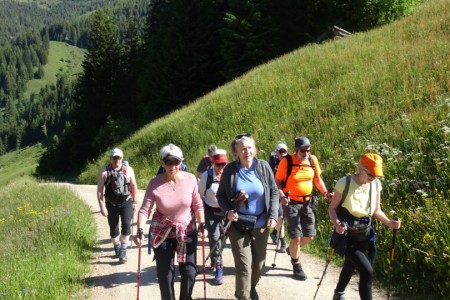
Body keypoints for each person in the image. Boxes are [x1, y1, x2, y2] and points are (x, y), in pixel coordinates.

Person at [134, 144, 205, 300]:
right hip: (163, 233)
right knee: (165, 275)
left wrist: (202, 224)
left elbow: (198, 204)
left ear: (181, 162)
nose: (172, 166)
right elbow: (144, 210)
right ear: (162, 163)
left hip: (187, 231)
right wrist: (139, 230)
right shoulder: (154, 184)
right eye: (168, 162)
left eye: (176, 162)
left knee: (190, 272)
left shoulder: (190, 179)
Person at [329, 153, 401, 300]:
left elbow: (376, 211)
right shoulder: (345, 182)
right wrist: (336, 224)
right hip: (346, 235)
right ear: (360, 167)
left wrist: (390, 223)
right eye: (370, 174)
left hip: (364, 235)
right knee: (366, 271)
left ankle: (338, 293)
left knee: (350, 264)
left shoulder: (375, 185)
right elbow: (332, 208)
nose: (373, 178)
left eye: (376, 175)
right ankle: (339, 294)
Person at [217, 134, 279, 300]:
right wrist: (227, 211)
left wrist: (273, 214)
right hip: (238, 225)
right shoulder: (230, 170)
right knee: (244, 266)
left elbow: (273, 191)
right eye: (242, 149)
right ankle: (243, 295)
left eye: (249, 147)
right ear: (236, 152)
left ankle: (250, 287)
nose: (247, 151)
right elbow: (221, 195)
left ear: (254, 149)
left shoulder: (264, 167)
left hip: (260, 223)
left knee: (259, 264)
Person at [274, 136, 333, 280]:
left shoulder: (313, 160)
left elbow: (317, 179)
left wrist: (325, 193)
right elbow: (277, 181)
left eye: (308, 150)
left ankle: (292, 250)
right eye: (303, 151)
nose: (306, 153)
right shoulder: (286, 161)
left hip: (308, 202)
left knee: (310, 236)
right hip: (291, 203)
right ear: (295, 150)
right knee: (296, 237)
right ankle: (296, 265)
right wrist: (282, 195)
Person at [97, 148, 138, 263]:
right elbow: (100, 190)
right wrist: (102, 206)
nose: (117, 160)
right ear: (111, 159)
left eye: (119, 158)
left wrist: (135, 202)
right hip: (111, 203)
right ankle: (117, 246)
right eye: (114, 158)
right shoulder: (104, 171)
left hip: (126, 201)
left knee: (126, 226)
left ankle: (123, 251)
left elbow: (134, 186)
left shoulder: (128, 170)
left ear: (122, 158)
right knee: (113, 228)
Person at [198, 148, 229, 285]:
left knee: (222, 240)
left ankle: (215, 259)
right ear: (212, 163)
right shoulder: (206, 175)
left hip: (226, 213)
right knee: (214, 238)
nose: (221, 168)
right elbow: (200, 195)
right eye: (218, 165)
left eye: (223, 164)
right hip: (210, 211)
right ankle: (218, 268)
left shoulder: (230, 175)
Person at [268, 143, 288, 253]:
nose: (283, 154)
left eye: (285, 151)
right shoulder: (271, 164)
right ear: (276, 152)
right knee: (280, 217)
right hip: (275, 195)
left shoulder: (289, 162)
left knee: (282, 219)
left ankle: (275, 232)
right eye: (281, 152)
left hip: (286, 194)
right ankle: (283, 242)